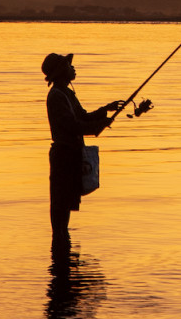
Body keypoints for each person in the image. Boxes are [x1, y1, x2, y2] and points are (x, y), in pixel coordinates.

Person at [42, 52, 123, 247]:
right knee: (60, 207)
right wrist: (98, 125)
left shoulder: (66, 93)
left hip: (71, 154)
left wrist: (106, 109)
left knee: (67, 205)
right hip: (63, 156)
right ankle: (60, 251)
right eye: (69, 66)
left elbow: (83, 117)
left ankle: (63, 250)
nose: (73, 68)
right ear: (62, 72)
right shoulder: (56, 96)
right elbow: (74, 126)